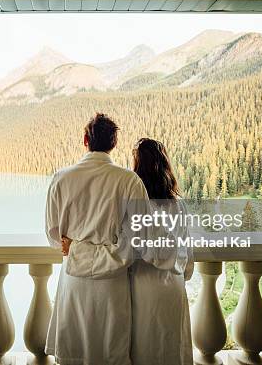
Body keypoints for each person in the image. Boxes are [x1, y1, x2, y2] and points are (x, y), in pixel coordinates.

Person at [63, 138, 194, 365]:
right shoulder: (178, 204)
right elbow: (187, 257)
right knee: (172, 351)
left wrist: (76, 248)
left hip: (142, 291)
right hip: (173, 287)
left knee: (144, 353)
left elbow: (123, 249)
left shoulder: (133, 206)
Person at [44, 113, 150, 365]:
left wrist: (77, 248)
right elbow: (140, 238)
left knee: (74, 351)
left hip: (74, 282)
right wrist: (106, 251)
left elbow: (52, 235)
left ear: (85, 140)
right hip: (112, 285)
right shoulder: (129, 181)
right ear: (113, 144)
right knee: (111, 352)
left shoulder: (61, 178)